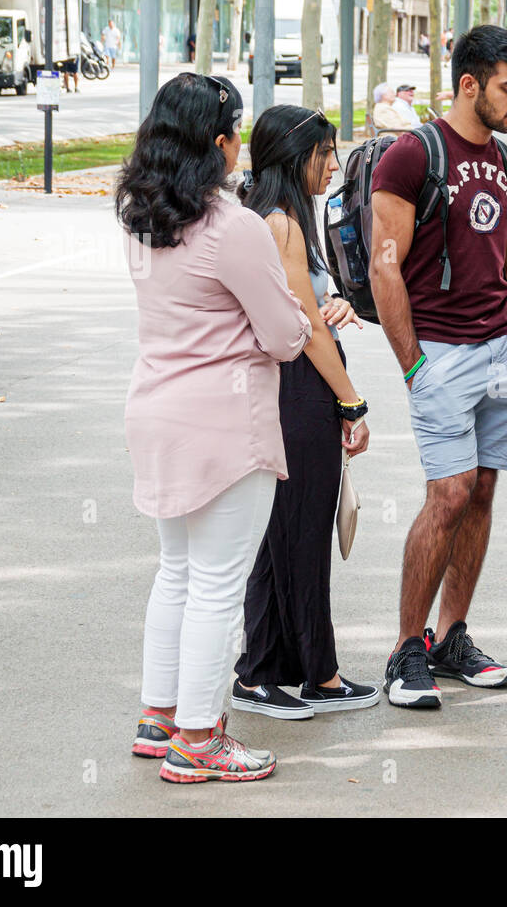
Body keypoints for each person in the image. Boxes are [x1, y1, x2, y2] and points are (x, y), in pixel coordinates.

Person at [116, 74, 312, 782]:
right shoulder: (234, 227)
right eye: (235, 133)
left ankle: (159, 718)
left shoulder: (142, 216)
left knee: (177, 573)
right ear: (221, 143)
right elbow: (287, 336)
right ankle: (199, 741)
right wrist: (304, 312)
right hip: (224, 426)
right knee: (218, 586)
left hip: (157, 414)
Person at [369, 25, 507, 709]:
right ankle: (406, 649)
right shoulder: (413, 156)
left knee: (483, 492)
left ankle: (452, 638)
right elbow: (387, 270)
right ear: (468, 83)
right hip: (441, 353)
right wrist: (413, 367)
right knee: (448, 494)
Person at [230, 105, 380, 721]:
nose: (334, 165)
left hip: (285, 381)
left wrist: (334, 300)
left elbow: (310, 304)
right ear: (298, 158)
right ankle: (317, 674)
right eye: (325, 153)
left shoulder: (269, 216)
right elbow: (305, 327)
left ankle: (261, 671)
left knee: (278, 534)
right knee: (304, 532)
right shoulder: (282, 224)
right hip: (299, 384)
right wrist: (352, 400)